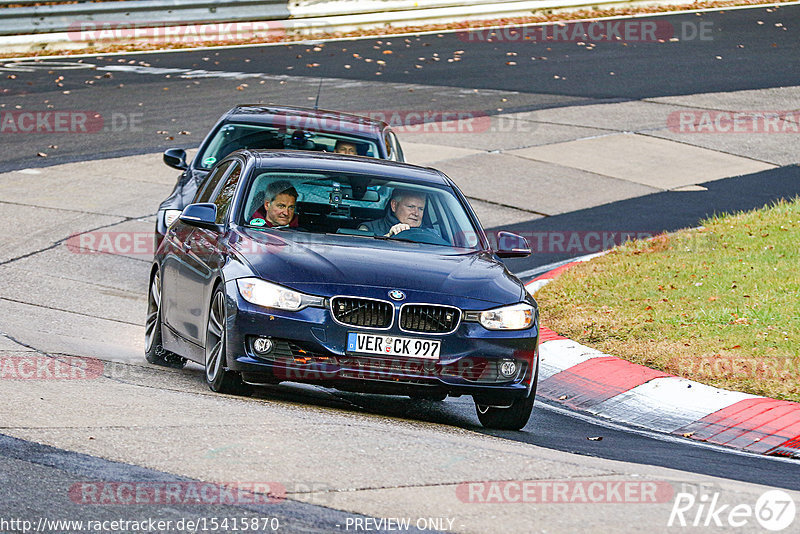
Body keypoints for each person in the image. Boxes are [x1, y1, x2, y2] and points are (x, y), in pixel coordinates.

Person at [359, 189, 426, 237]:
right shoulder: (369, 229)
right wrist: (388, 236)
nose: (416, 213)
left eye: (421, 209)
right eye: (411, 207)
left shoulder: (431, 234)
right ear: (394, 205)